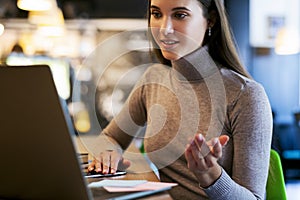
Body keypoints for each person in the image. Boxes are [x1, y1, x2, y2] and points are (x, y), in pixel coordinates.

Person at [87, 0, 273, 199]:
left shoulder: (246, 95)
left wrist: (211, 176)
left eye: (180, 15)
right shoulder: (154, 79)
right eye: (156, 14)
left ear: (210, 20)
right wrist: (107, 152)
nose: (164, 29)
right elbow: (111, 137)